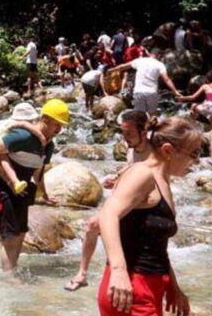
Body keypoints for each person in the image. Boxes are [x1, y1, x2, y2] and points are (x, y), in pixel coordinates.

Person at [97, 117, 198, 316]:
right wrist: (118, 271)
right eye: (194, 153)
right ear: (168, 150)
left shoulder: (163, 181)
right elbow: (108, 214)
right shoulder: (142, 173)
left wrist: (173, 287)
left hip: (150, 288)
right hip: (129, 289)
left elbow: (155, 244)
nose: (197, 161)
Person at [65, 110, 151, 292]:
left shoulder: (154, 152)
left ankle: (109, 273)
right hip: (129, 196)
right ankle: (82, 274)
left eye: (129, 133)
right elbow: (131, 166)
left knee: (96, 224)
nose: (125, 138)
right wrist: (117, 177)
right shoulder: (132, 147)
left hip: (144, 201)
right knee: (92, 226)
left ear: (144, 133)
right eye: (123, 132)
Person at [0, 99, 67, 272]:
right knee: (10, 236)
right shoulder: (23, 137)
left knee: (20, 233)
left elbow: (38, 172)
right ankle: (9, 277)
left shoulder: (48, 145)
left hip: (22, 188)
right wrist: (8, 180)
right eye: (57, 124)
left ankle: (12, 269)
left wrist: (44, 194)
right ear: (45, 119)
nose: (59, 129)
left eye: (62, 125)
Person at [107, 48, 181, 115]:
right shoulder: (160, 65)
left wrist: (112, 70)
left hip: (139, 91)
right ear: (159, 56)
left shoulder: (140, 60)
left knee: (139, 116)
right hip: (152, 92)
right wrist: (175, 92)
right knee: (152, 116)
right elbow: (166, 79)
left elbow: (123, 66)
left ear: (150, 54)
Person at [176, 70, 212, 161]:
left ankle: (191, 123)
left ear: (207, 79)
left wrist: (182, 98)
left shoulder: (206, 86)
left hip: (209, 108)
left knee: (193, 105)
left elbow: (192, 97)